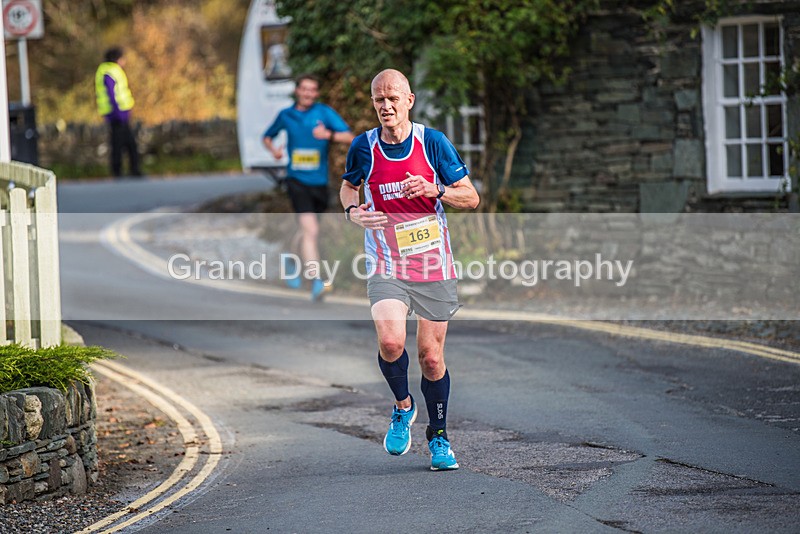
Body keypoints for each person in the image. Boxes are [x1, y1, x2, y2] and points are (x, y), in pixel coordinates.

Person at [341, 69, 480, 470]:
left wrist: (435, 189)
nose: (386, 106)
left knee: (431, 358)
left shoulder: (432, 143)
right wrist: (353, 212)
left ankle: (439, 439)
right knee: (390, 342)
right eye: (379, 100)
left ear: (410, 100)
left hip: (433, 262)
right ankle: (403, 406)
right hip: (386, 261)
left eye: (393, 99)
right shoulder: (363, 147)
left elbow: (471, 197)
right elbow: (349, 186)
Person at [263, 74, 355, 301]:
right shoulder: (286, 115)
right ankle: (317, 282)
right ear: (297, 91)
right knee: (311, 231)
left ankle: (290, 259)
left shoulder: (323, 113)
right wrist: (274, 150)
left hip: (319, 183)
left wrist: (329, 135)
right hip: (296, 181)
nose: (308, 93)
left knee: (308, 232)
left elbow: (351, 137)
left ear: (316, 93)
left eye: (312, 90)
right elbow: (267, 136)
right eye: (304, 89)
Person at [95, 47, 142, 178]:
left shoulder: (109, 70)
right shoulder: (110, 71)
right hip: (117, 113)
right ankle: (125, 170)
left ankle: (128, 170)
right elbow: (112, 93)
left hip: (119, 113)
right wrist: (118, 112)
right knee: (123, 143)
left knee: (125, 143)